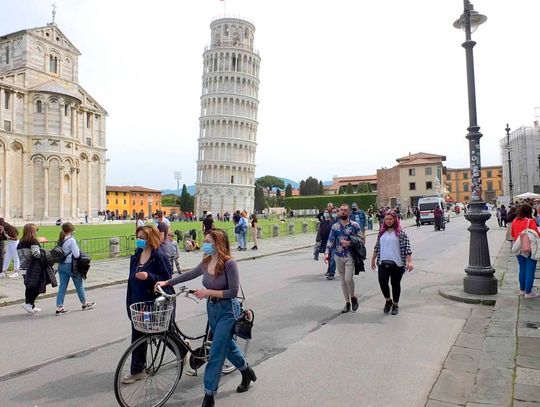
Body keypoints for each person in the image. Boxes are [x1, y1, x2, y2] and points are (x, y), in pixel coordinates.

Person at [156, 229, 257, 407]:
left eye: (208, 241)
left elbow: (232, 292)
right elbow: (189, 274)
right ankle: (246, 370)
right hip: (212, 309)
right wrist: (168, 282)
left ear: (218, 243)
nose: (205, 244)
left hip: (228, 311)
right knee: (227, 347)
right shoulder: (207, 261)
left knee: (216, 352)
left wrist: (207, 292)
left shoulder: (229, 264)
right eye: (205, 240)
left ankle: (209, 396)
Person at [122, 225, 174, 384]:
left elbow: (167, 278)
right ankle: (138, 370)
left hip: (153, 302)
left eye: (143, 238)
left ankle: (182, 351)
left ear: (150, 239)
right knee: (139, 333)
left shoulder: (159, 256)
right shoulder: (137, 255)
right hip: (137, 301)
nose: (139, 240)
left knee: (163, 332)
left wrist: (149, 276)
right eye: (138, 237)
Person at [371, 211, 414, 315]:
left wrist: (410, 262)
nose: (388, 221)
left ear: (395, 219)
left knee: (395, 284)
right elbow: (377, 247)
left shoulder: (400, 233)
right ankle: (388, 300)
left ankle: (395, 304)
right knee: (382, 282)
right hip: (383, 262)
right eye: (386, 219)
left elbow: (407, 248)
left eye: (390, 219)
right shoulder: (381, 233)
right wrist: (373, 259)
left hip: (397, 263)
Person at [325, 204, 362, 313]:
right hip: (338, 256)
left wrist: (349, 243)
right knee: (342, 281)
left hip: (350, 256)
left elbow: (361, 239)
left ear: (349, 212)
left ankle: (353, 297)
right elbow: (330, 240)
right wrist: (327, 252)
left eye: (345, 210)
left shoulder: (354, 225)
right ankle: (347, 302)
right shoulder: (335, 226)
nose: (343, 212)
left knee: (348, 279)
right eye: (341, 210)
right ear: (339, 212)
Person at [55, 223, 95, 315]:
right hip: (71, 266)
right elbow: (76, 254)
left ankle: (59, 307)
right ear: (71, 230)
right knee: (79, 285)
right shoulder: (71, 240)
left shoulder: (60, 239)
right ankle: (84, 304)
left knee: (62, 286)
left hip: (62, 265)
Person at [17, 223, 57, 314]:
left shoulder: (21, 241)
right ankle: (29, 303)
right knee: (38, 285)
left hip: (23, 267)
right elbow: (36, 254)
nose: (36, 232)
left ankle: (31, 305)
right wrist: (44, 252)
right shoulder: (33, 241)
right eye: (36, 230)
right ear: (32, 231)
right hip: (33, 267)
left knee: (29, 287)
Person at [511, 204, 540, 298]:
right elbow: (537, 235)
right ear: (529, 212)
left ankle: (522, 290)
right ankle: (528, 292)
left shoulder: (515, 221)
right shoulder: (530, 221)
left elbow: (512, 234)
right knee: (530, 270)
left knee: (522, 269)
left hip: (518, 248)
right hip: (529, 249)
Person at [316, 209, 335, 279]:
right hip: (325, 242)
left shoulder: (333, 221)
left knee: (332, 258)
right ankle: (330, 270)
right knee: (329, 258)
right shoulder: (323, 222)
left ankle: (331, 273)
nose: (326, 214)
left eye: (327, 212)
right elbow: (320, 231)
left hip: (333, 242)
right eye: (325, 212)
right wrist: (318, 239)